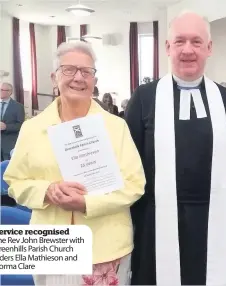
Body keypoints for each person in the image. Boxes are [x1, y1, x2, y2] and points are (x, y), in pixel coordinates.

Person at [4, 41, 146, 286]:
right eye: (69, 70)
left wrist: (88, 202)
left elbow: (135, 184)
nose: (78, 78)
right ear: (54, 76)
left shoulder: (115, 126)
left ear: (94, 80)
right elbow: (14, 182)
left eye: (86, 72)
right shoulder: (32, 128)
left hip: (106, 244)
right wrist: (46, 191)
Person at [125, 10, 226, 285]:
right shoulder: (145, 97)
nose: (188, 50)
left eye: (196, 42)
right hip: (156, 219)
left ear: (209, 48)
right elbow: (130, 163)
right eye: (179, 41)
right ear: (168, 47)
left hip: (215, 216)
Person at [0, 82, 25, 161]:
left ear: (10, 92)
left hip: (8, 145)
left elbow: (21, 125)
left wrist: (6, 127)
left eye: (2, 90)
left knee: (6, 169)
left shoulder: (18, 107)